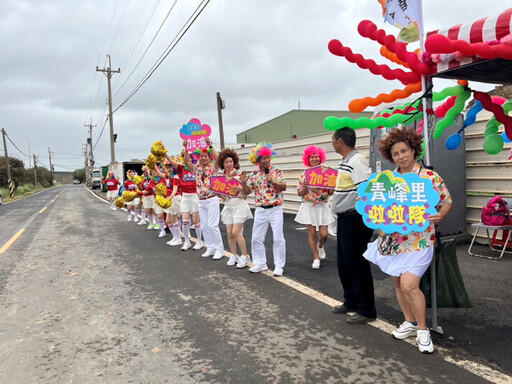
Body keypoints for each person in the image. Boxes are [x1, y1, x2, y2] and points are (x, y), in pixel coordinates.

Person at [363, 127, 452, 354]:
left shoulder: (429, 177)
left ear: (413, 150)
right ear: (390, 157)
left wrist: (441, 215)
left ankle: (423, 330)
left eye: (404, 151)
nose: (401, 156)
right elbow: (378, 206)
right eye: (396, 153)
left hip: (420, 241)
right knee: (397, 283)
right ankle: (409, 322)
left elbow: (447, 200)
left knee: (409, 285)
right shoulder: (388, 180)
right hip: (393, 241)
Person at [330, 127, 376, 325]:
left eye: (333, 140)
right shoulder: (345, 161)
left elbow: (365, 190)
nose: (332, 143)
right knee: (343, 261)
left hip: (355, 218)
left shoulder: (358, 161)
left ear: (340, 141)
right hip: (344, 218)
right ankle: (351, 300)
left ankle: (366, 309)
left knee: (356, 262)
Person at [240, 142, 287, 276]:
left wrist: (273, 181)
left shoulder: (276, 171)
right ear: (257, 159)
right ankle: (260, 263)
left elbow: (284, 187)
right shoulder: (254, 174)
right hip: (261, 209)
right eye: (264, 158)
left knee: (278, 238)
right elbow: (247, 191)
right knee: (256, 238)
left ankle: (279, 265)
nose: (267, 160)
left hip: (275, 208)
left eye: (268, 157)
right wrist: (243, 182)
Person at [295, 145, 334, 269]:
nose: (314, 159)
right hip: (308, 206)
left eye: (316, 157)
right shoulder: (304, 174)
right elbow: (299, 193)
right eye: (312, 157)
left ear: (320, 158)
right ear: (308, 159)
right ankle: (316, 258)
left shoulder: (326, 172)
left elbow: (330, 193)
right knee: (312, 234)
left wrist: (330, 188)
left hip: (322, 206)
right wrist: (305, 187)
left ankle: (320, 246)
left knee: (324, 235)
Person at [215, 148, 253, 268]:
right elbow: (221, 195)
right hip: (228, 205)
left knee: (236, 232)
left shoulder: (240, 174)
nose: (229, 164)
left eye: (231, 161)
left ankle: (245, 256)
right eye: (226, 162)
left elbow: (248, 191)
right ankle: (234, 254)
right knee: (229, 233)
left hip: (239, 204)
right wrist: (214, 189)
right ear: (223, 164)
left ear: (234, 162)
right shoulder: (220, 176)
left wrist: (241, 187)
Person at [190, 137, 225, 258]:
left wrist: (210, 145)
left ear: (209, 157)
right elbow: (186, 162)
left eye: (206, 156)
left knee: (213, 225)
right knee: (204, 225)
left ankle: (219, 249)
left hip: (212, 198)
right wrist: (185, 148)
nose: (203, 158)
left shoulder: (213, 167)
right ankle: (210, 247)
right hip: (201, 200)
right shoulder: (197, 168)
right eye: (201, 156)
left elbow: (220, 158)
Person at [166, 145, 202, 251]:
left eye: (190, 157)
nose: (188, 159)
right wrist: (164, 153)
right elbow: (171, 162)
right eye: (186, 157)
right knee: (185, 220)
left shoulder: (196, 168)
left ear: (192, 158)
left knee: (196, 221)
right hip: (185, 196)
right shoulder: (181, 169)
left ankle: (199, 241)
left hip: (195, 196)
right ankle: (186, 241)